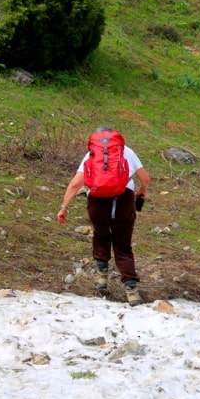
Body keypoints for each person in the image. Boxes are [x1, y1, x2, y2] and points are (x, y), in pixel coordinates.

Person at [56, 127, 150, 306]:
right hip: (124, 199)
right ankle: (132, 291)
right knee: (123, 245)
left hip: (98, 201)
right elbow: (145, 179)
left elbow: (76, 183)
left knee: (101, 234)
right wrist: (141, 192)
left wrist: (64, 208)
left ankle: (101, 278)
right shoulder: (126, 151)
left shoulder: (92, 153)